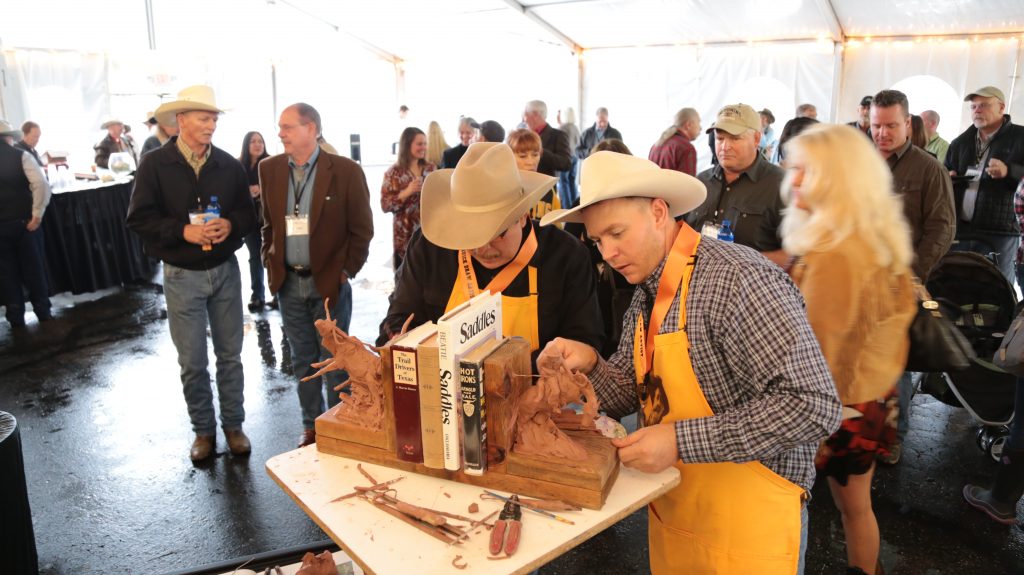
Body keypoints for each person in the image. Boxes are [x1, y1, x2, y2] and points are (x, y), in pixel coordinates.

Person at [537, 151, 841, 575]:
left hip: (752, 529)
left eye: (617, 233)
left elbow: (813, 405)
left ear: (659, 211)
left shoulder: (739, 279)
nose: (608, 253)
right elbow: (629, 392)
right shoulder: (646, 291)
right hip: (677, 518)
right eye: (598, 241)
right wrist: (589, 364)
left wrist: (680, 442)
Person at [780, 124, 916, 575]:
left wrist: (806, 425)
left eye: (806, 170)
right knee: (855, 507)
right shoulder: (865, 233)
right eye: (793, 168)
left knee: (800, 504)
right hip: (870, 396)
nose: (793, 179)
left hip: (840, 406)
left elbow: (820, 355)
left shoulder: (838, 251)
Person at [376, 142, 603, 361]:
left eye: (497, 233)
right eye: (468, 236)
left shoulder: (566, 257)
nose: (482, 248)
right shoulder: (430, 247)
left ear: (523, 215)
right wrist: (399, 340)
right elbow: (398, 317)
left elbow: (586, 342)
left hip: (535, 393)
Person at [126, 85, 255, 462]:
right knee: (193, 362)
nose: (211, 124)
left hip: (225, 271)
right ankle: (203, 431)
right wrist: (182, 230)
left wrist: (230, 225)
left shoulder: (229, 165)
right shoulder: (154, 165)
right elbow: (138, 219)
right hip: (182, 274)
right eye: (204, 118)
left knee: (230, 356)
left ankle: (234, 425)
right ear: (180, 121)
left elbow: (248, 215)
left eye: (214, 118)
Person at [260, 103, 374, 448]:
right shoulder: (270, 169)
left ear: (311, 129)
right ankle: (312, 426)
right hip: (288, 283)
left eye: (288, 127)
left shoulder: (345, 171)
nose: (280, 134)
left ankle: (341, 421)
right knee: (302, 360)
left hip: (328, 284)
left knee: (336, 361)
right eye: (280, 128)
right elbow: (267, 224)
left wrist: (345, 271)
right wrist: (270, 260)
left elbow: (362, 230)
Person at [869, 89, 956, 466]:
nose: (882, 133)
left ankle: (895, 437)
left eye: (890, 125)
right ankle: (860, 430)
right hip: (859, 280)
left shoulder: (928, 168)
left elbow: (942, 228)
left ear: (908, 123)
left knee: (896, 364)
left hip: (901, 283)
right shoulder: (861, 164)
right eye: (876, 125)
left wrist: (911, 274)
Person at [686, 103, 788, 265]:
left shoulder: (781, 185)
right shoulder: (701, 182)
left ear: (756, 139)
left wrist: (743, 264)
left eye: (735, 138)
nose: (725, 147)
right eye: (720, 138)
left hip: (753, 287)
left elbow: (794, 255)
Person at [945, 85, 1024, 285]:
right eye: (973, 107)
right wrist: (948, 177)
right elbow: (946, 172)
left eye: (984, 105)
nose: (977, 110)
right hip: (962, 231)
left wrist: (1009, 172)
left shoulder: (1020, 138)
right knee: (958, 287)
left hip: (1000, 232)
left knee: (996, 290)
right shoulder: (960, 143)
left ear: (1001, 107)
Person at [0, 119, 52, 328]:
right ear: (9, 138)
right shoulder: (22, 156)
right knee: (34, 269)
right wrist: (37, 214)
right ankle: (42, 311)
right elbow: (41, 184)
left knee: (6, 273)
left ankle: (15, 315)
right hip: (24, 223)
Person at [381, 127, 434, 271]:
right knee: (405, 280)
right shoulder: (393, 173)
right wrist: (407, 192)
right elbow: (385, 205)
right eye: (419, 144)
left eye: (425, 143)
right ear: (407, 144)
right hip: (404, 237)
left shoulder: (431, 169)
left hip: (430, 234)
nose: (423, 147)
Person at [240, 131, 270, 311]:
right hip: (250, 219)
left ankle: (277, 294)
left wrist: (262, 189)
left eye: (261, 141)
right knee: (254, 257)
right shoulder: (238, 166)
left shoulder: (271, 163)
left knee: (273, 256)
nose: (258, 144)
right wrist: (247, 191)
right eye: (253, 141)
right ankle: (257, 295)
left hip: (269, 218)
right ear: (246, 145)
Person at [507, 128, 558, 220]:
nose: (530, 162)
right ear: (509, 156)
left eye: (535, 155)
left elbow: (555, 227)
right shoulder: (502, 191)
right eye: (523, 156)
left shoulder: (548, 189)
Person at [523, 100, 571, 177]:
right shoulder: (522, 135)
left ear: (535, 115)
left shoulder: (558, 136)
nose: (523, 120)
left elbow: (566, 164)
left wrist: (540, 151)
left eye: (525, 115)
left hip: (546, 187)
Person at [648, 108, 701, 176]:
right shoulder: (686, 148)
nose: (700, 128)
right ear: (689, 125)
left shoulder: (656, 145)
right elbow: (687, 185)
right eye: (699, 122)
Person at [557, 107, 581, 210]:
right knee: (572, 182)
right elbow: (578, 142)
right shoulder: (575, 127)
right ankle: (575, 206)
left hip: (566, 157)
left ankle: (567, 208)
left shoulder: (562, 128)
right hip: (575, 157)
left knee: (563, 182)